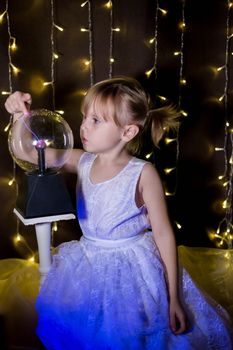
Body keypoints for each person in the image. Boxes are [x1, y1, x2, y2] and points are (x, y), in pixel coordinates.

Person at [5, 77, 233, 350]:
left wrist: (174, 298)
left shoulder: (142, 174)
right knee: (85, 329)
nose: (84, 126)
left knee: (131, 333)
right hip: (89, 261)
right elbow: (30, 152)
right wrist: (20, 114)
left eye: (96, 120)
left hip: (132, 269)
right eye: (85, 117)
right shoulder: (81, 160)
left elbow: (162, 233)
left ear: (127, 133)